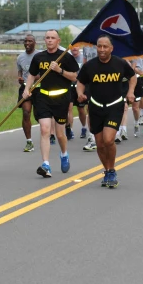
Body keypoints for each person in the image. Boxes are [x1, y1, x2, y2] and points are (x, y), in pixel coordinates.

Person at [76, 35, 137, 188]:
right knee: (100, 144)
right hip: (95, 106)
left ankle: (112, 169)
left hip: (114, 105)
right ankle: (107, 170)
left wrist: (130, 92)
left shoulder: (120, 63)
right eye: (99, 46)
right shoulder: (89, 66)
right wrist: (80, 93)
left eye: (105, 47)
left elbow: (132, 77)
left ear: (111, 48)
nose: (102, 49)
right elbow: (81, 82)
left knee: (108, 140)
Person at [24, 30, 80, 178]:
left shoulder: (65, 57)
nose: (49, 40)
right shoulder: (38, 57)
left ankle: (64, 154)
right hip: (43, 97)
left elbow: (75, 76)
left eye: (52, 38)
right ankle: (46, 164)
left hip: (61, 98)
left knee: (60, 134)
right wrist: (26, 89)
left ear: (58, 40)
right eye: (47, 38)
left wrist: (59, 70)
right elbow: (31, 74)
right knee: (44, 129)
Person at [16, 34, 39, 153]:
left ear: (35, 42)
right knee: (26, 112)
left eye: (30, 41)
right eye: (25, 41)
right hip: (25, 88)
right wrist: (19, 78)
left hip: (39, 88)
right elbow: (20, 72)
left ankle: (49, 134)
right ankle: (29, 141)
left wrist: (37, 77)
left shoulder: (40, 56)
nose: (27, 43)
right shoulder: (20, 58)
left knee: (39, 115)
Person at [66, 46, 88, 139]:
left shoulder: (83, 58)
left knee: (81, 109)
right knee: (69, 108)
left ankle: (84, 127)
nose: (74, 49)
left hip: (80, 86)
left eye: (76, 47)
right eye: (72, 47)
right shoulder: (68, 59)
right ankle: (70, 130)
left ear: (79, 48)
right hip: (70, 86)